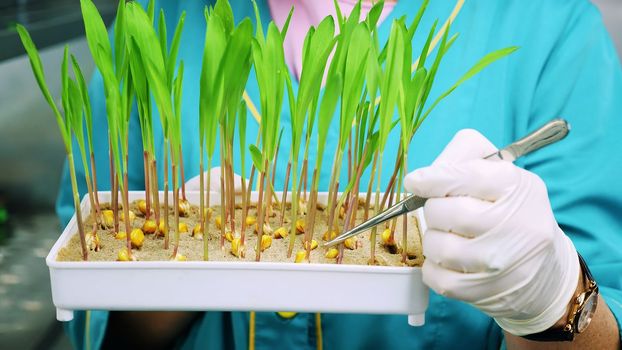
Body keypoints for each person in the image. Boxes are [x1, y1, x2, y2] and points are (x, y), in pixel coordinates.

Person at [56, 0, 622, 348]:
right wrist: (175, 267)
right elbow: (91, 307)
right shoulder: (159, 18)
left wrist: (551, 299)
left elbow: (609, 316)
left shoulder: (548, 26)